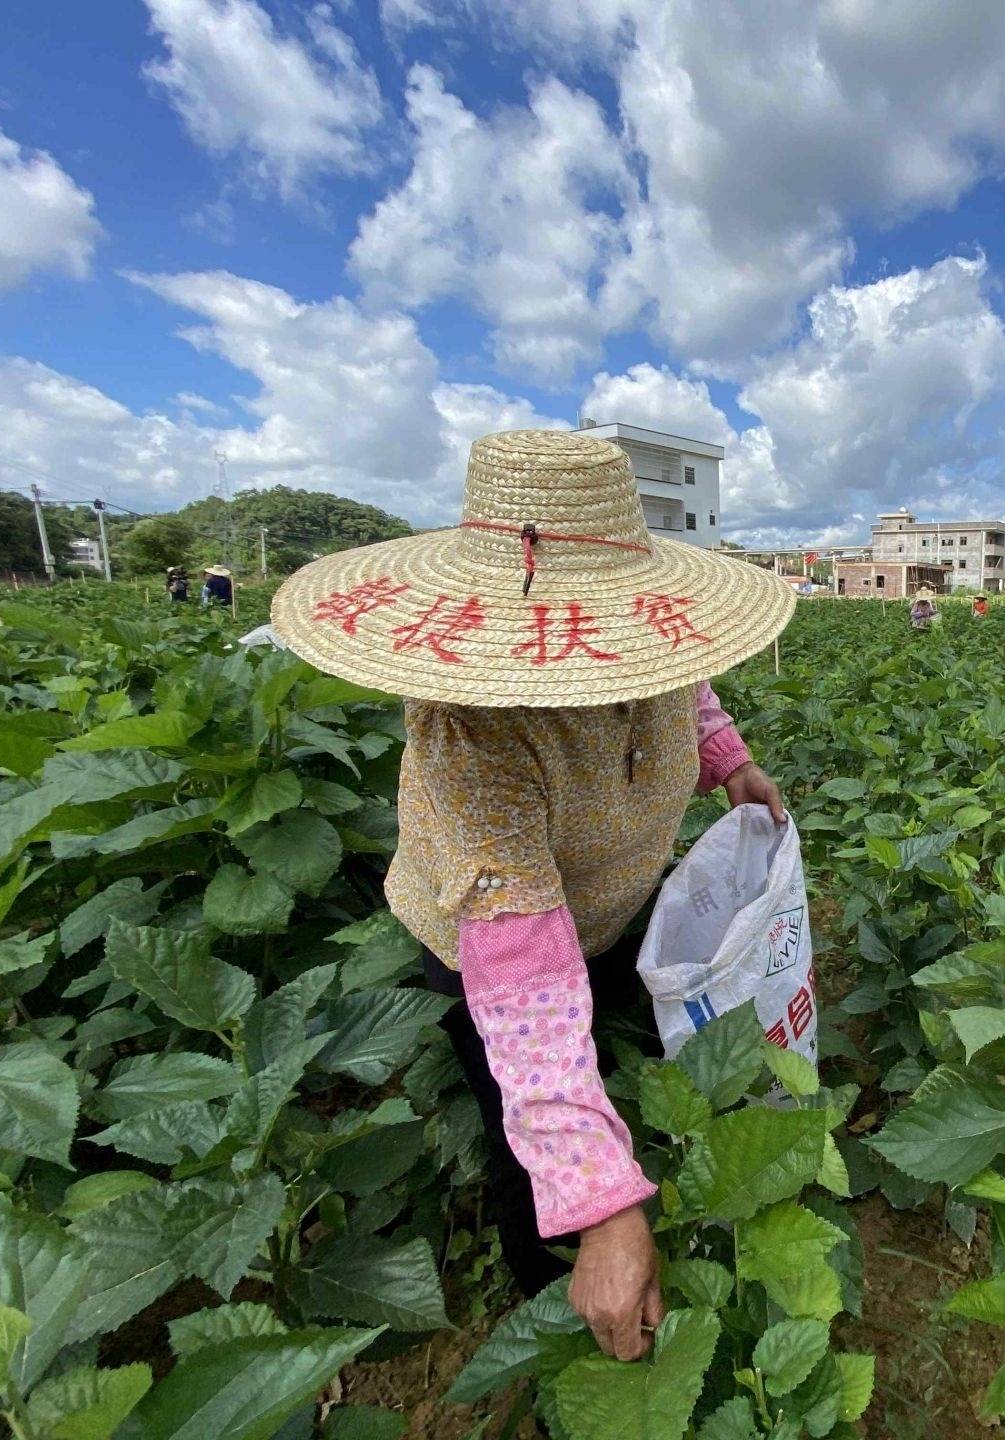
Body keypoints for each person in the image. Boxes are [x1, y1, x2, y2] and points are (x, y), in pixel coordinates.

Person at [269, 430, 795, 1362]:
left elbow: (690, 688)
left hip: (607, 913)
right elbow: (523, 979)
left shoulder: (651, 642)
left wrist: (733, 765)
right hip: (491, 947)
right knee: (532, 1149)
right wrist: (599, 1204)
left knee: (622, 1038)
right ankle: (560, 1317)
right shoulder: (473, 735)